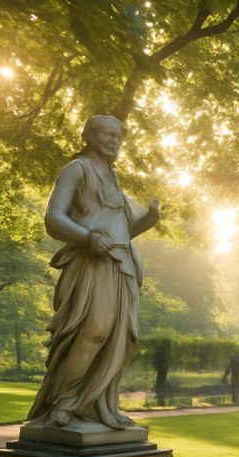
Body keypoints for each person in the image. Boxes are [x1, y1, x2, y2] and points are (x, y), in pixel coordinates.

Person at [27, 115, 161, 429]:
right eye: (107, 134)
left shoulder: (114, 179)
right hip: (91, 265)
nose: (115, 140)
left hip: (122, 266)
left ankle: (96, 406)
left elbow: (124, 230)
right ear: (89, 136)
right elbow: (54, 219)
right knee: (94, 331)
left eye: (119, 136)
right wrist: (87, 238)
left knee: (120, 338)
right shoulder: (77, 170)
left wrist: (149, 220)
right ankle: (64, 402)